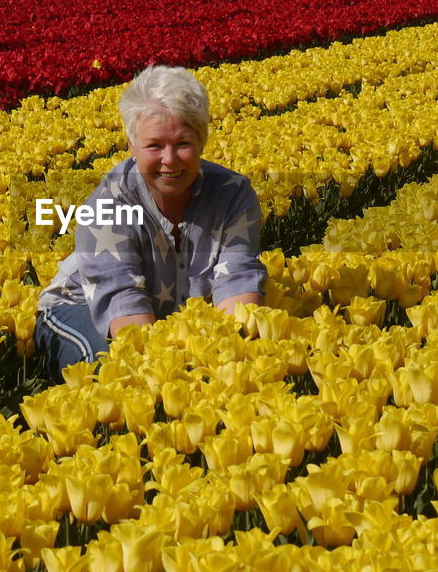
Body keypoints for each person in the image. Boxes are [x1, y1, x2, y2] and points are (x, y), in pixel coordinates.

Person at [34, 65, 266, 382]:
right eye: (154, 145)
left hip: (165, 312)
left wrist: (225, 364)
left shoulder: (232, 194)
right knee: (108, 371)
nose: (169, 160)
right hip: (82, 305)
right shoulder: (109, 204)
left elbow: (237, 288)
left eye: (183, 143)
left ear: (203, 140)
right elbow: (125, 311)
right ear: (132, 145)